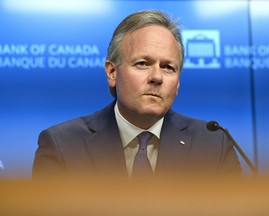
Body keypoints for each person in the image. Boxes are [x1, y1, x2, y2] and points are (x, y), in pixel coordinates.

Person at [32, 10, 242, 179]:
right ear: (112, 73)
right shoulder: (62, 145)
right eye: (142, 64)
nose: (157, 77)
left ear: (177, 83)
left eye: (168, 67)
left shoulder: (214, 146)